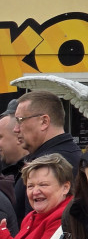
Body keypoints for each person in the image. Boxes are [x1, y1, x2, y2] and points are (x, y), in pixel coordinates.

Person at [11, 90, 81, 222]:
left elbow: (39, 224)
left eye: (20, 120)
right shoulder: (66, 157)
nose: (15, 129)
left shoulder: (55, 163)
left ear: (44, 121)